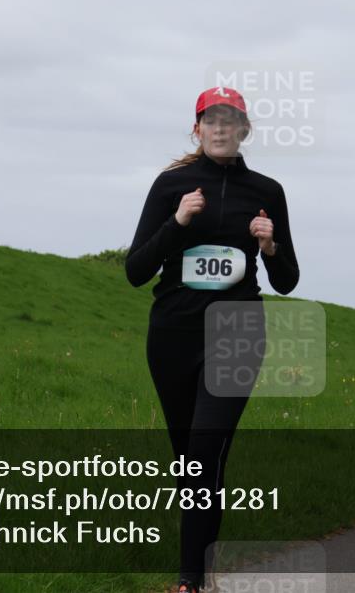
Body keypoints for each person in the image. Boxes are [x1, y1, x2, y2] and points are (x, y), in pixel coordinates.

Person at [126, 86, 300, 593]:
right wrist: (178, 222)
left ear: (245, 129)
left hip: (238, 329)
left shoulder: (268, 190)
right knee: (191, 461)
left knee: (205, 451)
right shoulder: (171, 185)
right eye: (211, 120)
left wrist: (269, 246)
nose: (221, 128)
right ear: (197, 128)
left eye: (231, 120)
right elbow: (137, 270)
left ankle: (190, 581)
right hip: (174, 331)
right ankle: (202, 569)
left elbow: (287, 279)